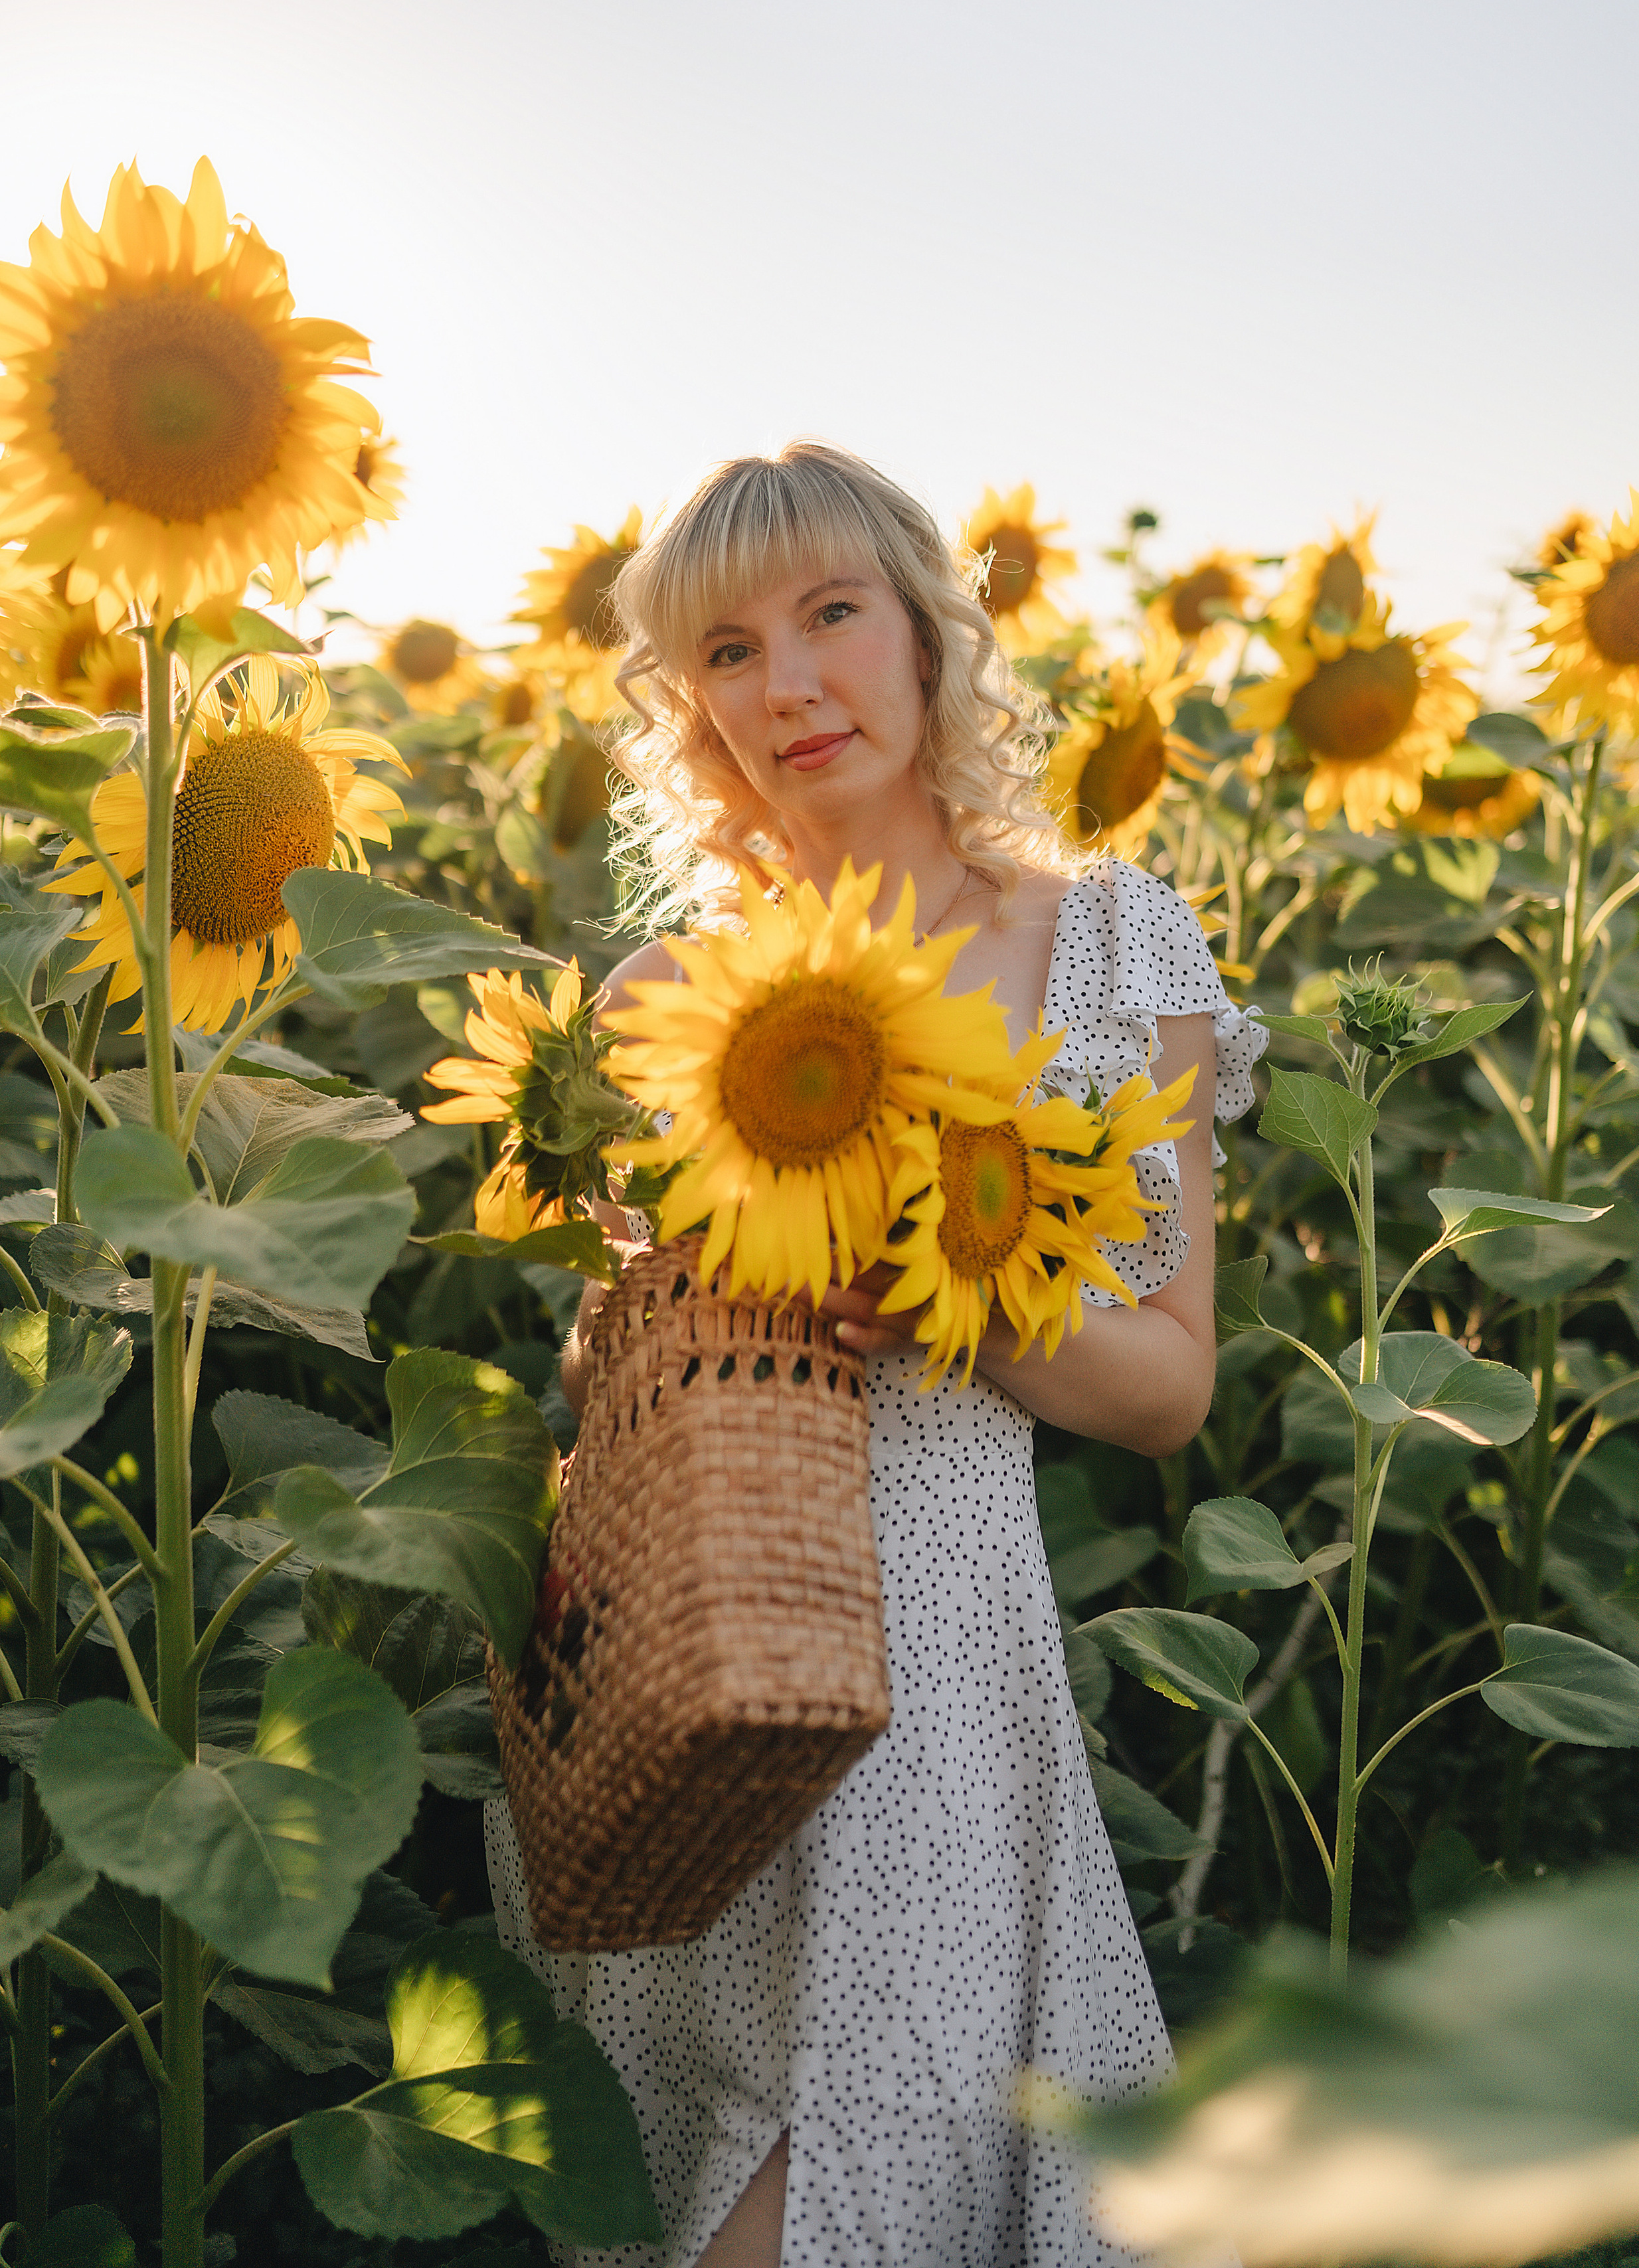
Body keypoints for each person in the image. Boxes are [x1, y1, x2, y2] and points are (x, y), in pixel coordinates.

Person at [485, 443, 1267, 2267]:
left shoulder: (1108, 938)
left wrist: (960, 1286)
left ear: (927, 636)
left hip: (940, 1677)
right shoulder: (669, 1005)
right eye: (731, 649)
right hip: (709, 1655)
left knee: (839, 2195)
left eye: (832, 614)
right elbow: (621, 1392)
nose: (792, 683)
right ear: (694, 706)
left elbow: (1167, 1388)